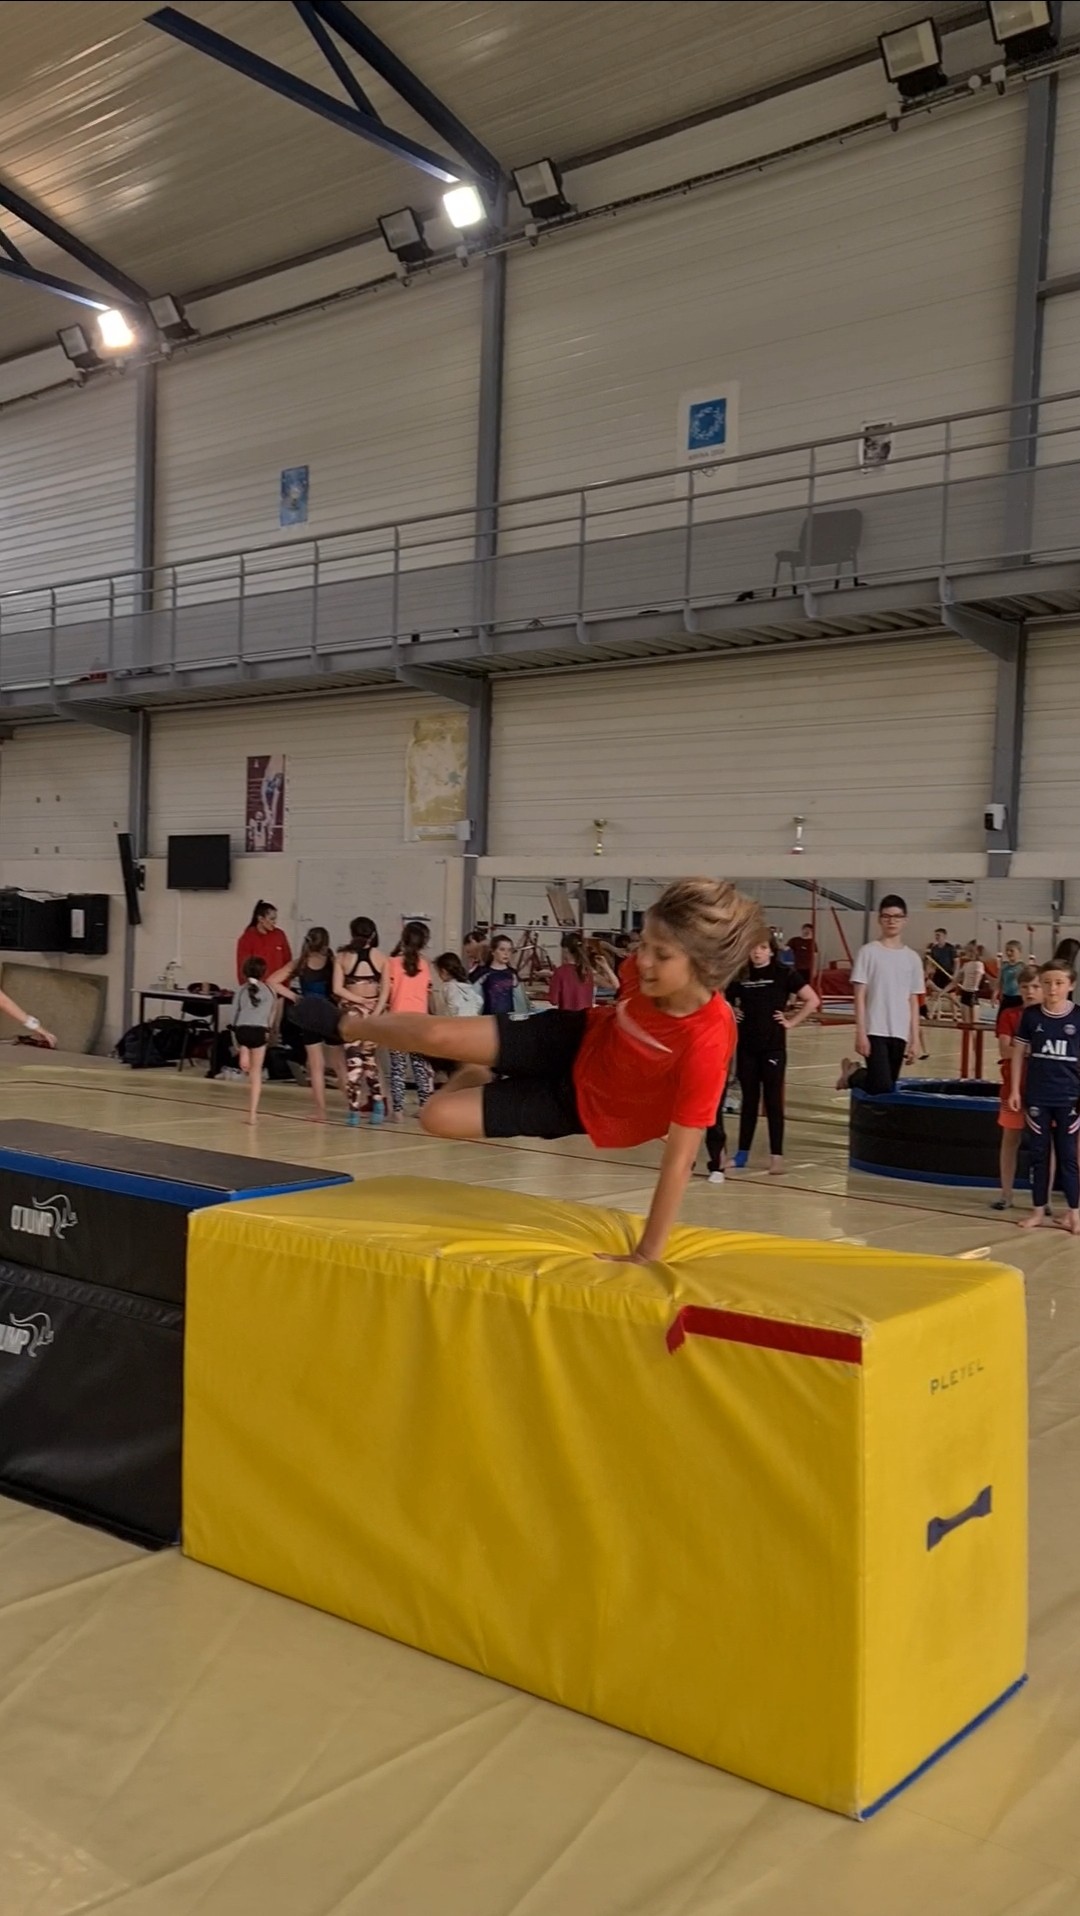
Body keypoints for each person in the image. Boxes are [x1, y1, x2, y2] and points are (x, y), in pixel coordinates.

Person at [347, 879, 764, 1263]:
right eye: (643, 945)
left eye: (661, 954)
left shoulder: (706, 1042)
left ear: (703, 966)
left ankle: (478, 1071)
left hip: (579, 1105)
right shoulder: (642, 973)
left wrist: (645, 1254)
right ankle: (348, 1025)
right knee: (437, 1034)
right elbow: (627, 988)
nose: (643, 961)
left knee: (436, 1116)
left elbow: (680, 1159)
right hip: (573, 1037)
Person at [721, 934, 820, 1175]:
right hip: (747, 1047)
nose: (757, 952)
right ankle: (742, 1154)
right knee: (749, 1101)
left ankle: (777, 1157)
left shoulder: (783, 973)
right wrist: (732, 1010)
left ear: (771, 951)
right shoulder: (741, 974)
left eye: (763, 947)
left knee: (773, 1101)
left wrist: (791, 1022)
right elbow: (721, 999)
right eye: (753, 948)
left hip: (773, 1047)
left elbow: (812, 999)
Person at [1010, 958, 1080, 1234]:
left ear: (1071, 985)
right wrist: (1015, 1089)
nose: (1052, 989)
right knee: (1039, 1155)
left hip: (1069, 1098)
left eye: (1059, 983)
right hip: (1038, 1097)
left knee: (1068, 1156)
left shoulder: (1078, 1017)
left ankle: (1074, 1212)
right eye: (1047, 983)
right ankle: (1038, 1210)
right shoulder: (1031, 1016)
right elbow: (1018, 1053)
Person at [836, 896, 924, 1096]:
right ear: (879, 919)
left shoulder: (912, 958)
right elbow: (859, 996)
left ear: (905, 920)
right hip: (875, 1029)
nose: (892, 921)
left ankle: (853, 1074)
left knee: (888, 1086)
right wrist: (860, 1033)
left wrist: (915, 1038)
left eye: (897, 916)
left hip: (899, 1031)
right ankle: (855, 1075)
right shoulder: (868, 952)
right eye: (886, 916)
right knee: (881, 1085)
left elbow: (913, 1001)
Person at [269, 927, 342, 1123]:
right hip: (330, 1014)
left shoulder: (300, 963)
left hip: (309, 1014)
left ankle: (320, 1111)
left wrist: (294, 996)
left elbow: (272, 980)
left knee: (315, 1066)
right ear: (326, 943)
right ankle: (354, 1106)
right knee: (339, 1064)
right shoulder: (333, 962)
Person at [993, 964, 1041, 1212]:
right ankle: (1006, 1194)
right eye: (1025, 987)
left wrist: (1019, 1049)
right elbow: (1005, 1050)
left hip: (1045, 1090)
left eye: (1035, 986)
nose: (1030, 992)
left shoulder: (1053, 1019)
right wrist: (1031, 1050)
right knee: (1010, 1140)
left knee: (1046, 1144)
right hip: (1014, 1089)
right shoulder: (1010, 1015)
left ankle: (1043, 1198)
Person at [375, 920, 435, 1120]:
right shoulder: (425, 964)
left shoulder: (391, 963)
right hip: (420, 1020)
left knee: (398, 1067)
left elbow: (386, 992)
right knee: (420, 1066)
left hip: (398, 1020)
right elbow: (428, 993)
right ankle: (424, 1106)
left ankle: (398, 1111)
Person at [334, 917, 389, 1126]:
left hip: (352, 1012)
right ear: (373, 934)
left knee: (354, 1063)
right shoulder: (381, 958)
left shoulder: (342, 957)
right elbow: (385, 991)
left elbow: (337, 988)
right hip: (373, 1012)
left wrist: (358, 1001)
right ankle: (378, 1104)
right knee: (369, 1060)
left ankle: (354, 1111)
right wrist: (375, 1011)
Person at [228, 956, 275, 1123]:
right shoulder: (269, 991)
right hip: (260, 1030)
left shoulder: (241, 991)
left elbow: (233, 1015)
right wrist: (268, 1031)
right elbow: (271, 1014)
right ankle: (252, 1114)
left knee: (245, 1046)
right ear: (264, 972)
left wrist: (236, 1042)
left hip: (242, 1030)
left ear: (244, 972)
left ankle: (243, 1049)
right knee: (256, 1073)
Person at [547, 931, 619, 1011]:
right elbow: (616, 986)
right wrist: (606, 966)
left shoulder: (560, 972)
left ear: (565, 950)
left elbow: (553, 1001)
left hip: (567, 1016)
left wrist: (552, 983)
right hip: (586, 1016)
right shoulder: (588, 972)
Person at [236, 901, 291, 985]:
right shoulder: (247, 938)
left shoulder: (279, 935)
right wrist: (250, 989)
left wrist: (285, 987)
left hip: (278, 986)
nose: (274, 922)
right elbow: (243, 968)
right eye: (272, 919)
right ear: (261, 919)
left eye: (275, 919)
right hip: (258, 987)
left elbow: (287, 962)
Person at [476, 933, 520, 1016]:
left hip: (508, 1018)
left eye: (509, 950)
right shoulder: (484, 973)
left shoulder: (512, 974)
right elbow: (474, 998)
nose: (506, 953)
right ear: (493, 951)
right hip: (488, 1017)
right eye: (502, 949)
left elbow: (519, 1001)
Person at [434, 952, 483, 1017]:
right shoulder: (468, 986)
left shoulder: (447, 987)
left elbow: (443, 1010)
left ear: (443, 971)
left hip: (454, 1021)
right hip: (472, 1020)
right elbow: (479, 1002)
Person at [925, 928, 957, 1020]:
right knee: (936, 994)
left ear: (944, 936)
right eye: (936, 935)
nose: (937, 937)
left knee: (952, 995)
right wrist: (927, 972)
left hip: (948, 974)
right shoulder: (934, 949)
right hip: (938, 973)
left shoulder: (950, 948)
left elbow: (957, 962)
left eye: (938, 935)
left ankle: (954, 1016)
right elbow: (931, 962)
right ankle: (931, 1014)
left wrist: (955, 975)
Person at [954, 942, 985, 1026]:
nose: (970, 954)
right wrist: (942, 992)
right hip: (965, 993)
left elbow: (977, 979)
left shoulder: (979, 964)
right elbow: (955, 980)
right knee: (966, 1025)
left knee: (974, 1025)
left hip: (973, 994)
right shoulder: (966, 965)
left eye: (972, 951)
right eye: (968, 951)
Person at [997, 939, 1026, 1011]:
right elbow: (1000, 980)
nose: (1008, 953)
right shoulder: (1004, 966)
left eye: (1011, 951)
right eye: (1007, 950)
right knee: (1003, 1015)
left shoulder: (1022, 967)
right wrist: (996, 993)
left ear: (1019, 952)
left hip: (1018, 997)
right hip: (1006, 996)